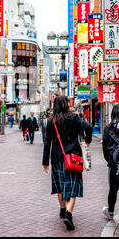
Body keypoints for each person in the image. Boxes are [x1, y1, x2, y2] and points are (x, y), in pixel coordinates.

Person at [42, 96, 93, 231]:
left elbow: (47, 142)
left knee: (59, 186)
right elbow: (88, 127)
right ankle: (69, 214)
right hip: (73, 156)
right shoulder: (75, 118)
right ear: (67, 105)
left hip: (57, 157)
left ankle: (63, 209)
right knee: (73, 186)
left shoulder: (51, 121)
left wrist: (45, 161)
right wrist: (88, 140)